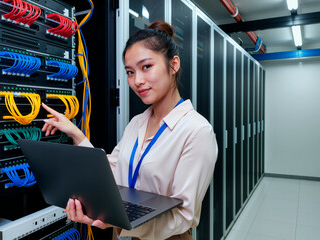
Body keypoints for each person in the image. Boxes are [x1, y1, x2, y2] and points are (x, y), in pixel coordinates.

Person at [41, 20, 218, 240]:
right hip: (124, 234)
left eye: (146, 67)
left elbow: (184, 216)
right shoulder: (137, 122)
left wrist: (120, 221)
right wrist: (77, 134)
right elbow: (113, 172)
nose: (137, 81)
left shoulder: (197, 131)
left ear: (173, 65)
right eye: (130, 72)